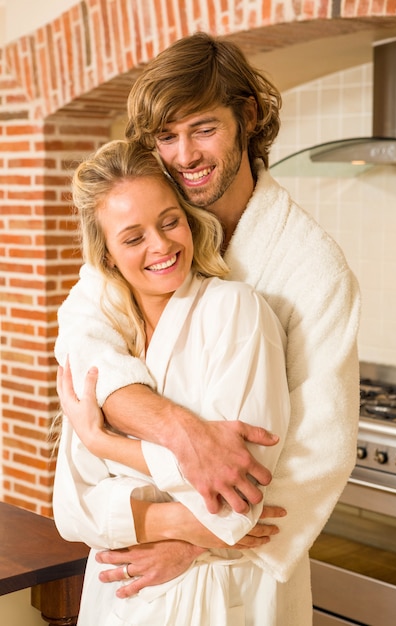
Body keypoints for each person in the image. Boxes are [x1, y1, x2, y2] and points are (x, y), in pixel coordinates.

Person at [54, 32, 361, 624]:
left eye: (202, 128)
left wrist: (196, 540)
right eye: (166, 137)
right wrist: (183, 433)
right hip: (126, 578)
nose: (185, 155)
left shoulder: (310, 266)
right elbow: (85, 342)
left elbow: (319, 451)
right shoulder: (150, 230)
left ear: (247, 116)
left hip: (235, 581)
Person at [53, 139, 291, 625]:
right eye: (133, 237)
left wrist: (104, 443)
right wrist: (182, 523)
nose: (161, 246)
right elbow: (73, 512)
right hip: (117, 596)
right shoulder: (103, 342)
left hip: (217, 598)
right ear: (108, 255)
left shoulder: (234, 312)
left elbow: (238, 505)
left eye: (169, 221)